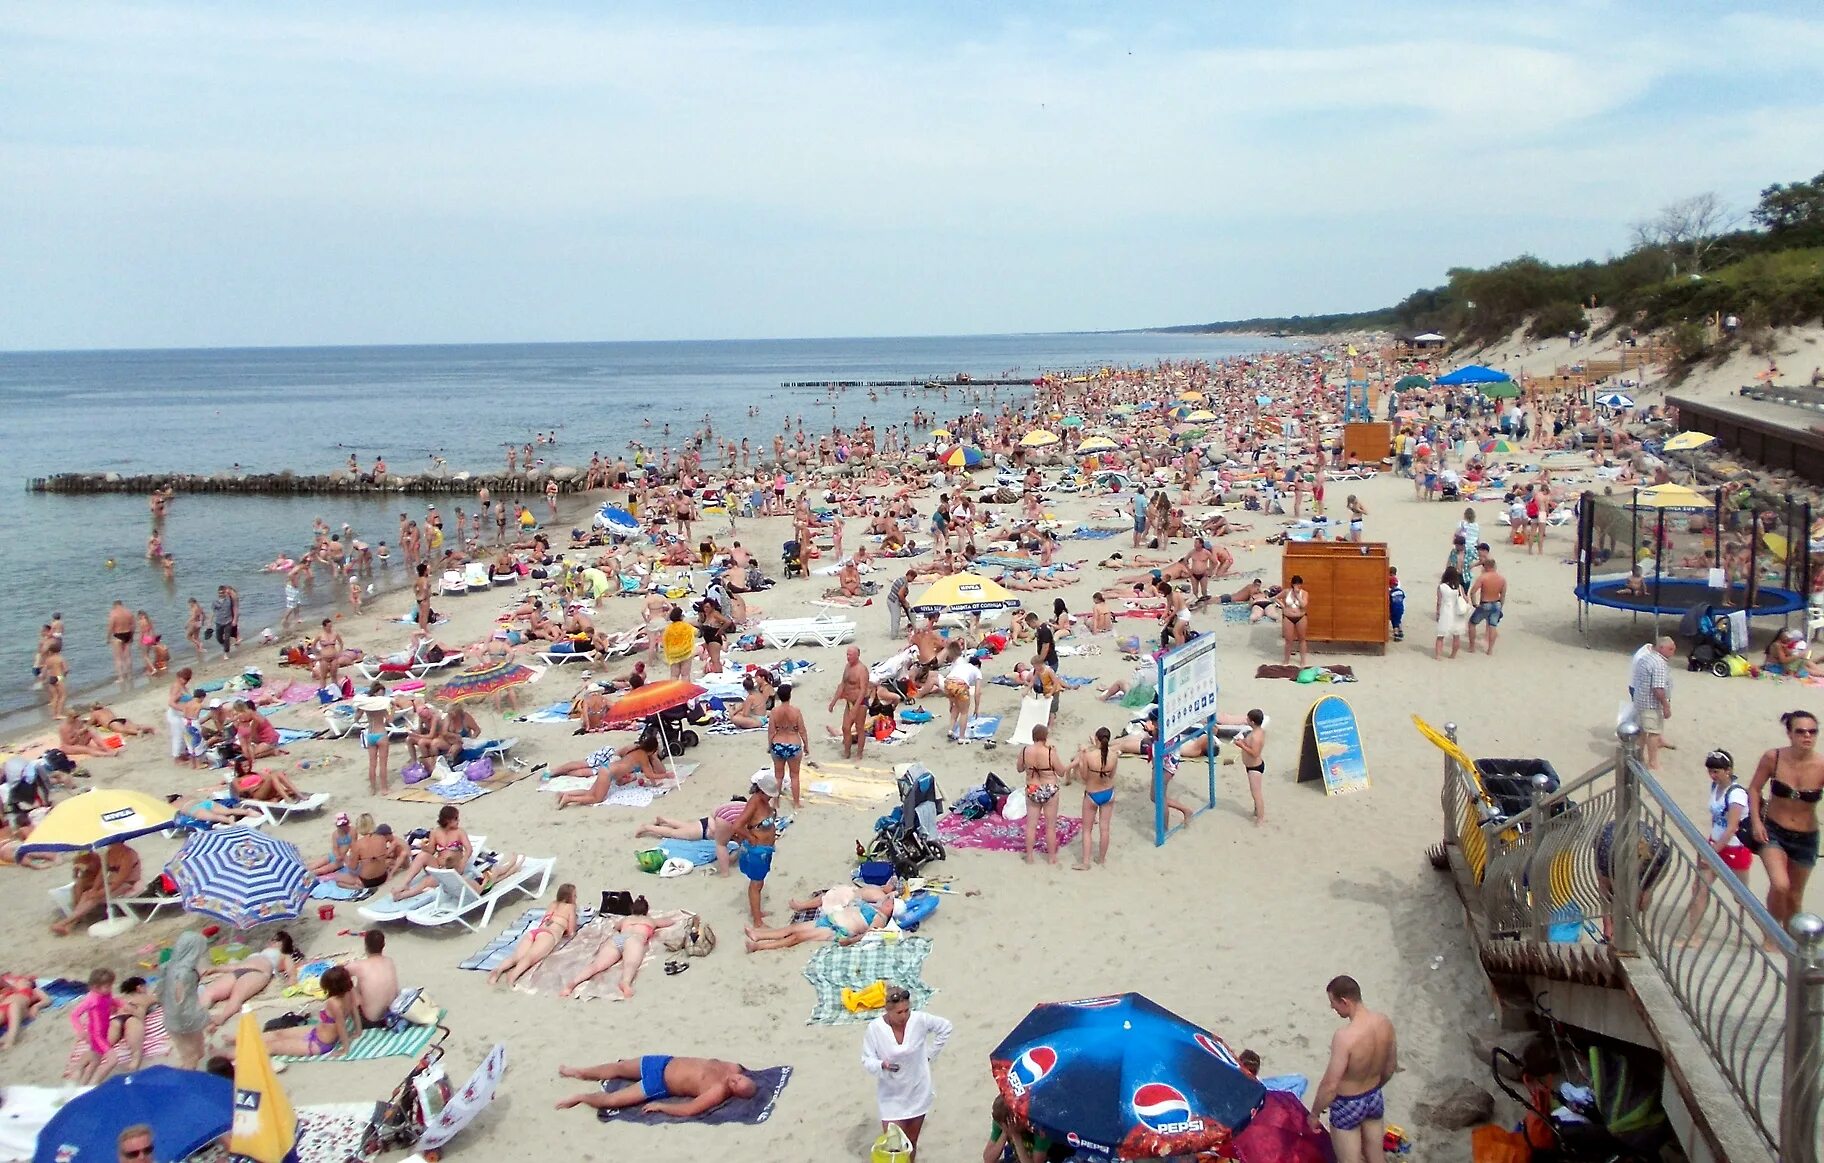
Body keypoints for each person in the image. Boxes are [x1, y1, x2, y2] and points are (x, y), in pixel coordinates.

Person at [1747, 710, 1824, 938]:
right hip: (1774, 830)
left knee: (1794, 896)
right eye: (1800, 731)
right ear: (1790, 734)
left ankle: (1793, 942)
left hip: (1806, 836)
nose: (1807, 736)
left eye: (1812, 732)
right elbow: (1753, 789)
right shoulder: (1774, 757)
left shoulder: (1821, 765)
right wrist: (1755, 822)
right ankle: (1771, 936)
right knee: (1780, 885)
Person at [1309, 975, 1398, 1163]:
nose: (1332, 1008)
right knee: (1376, 1156)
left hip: (1347, 1103)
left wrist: (1315, 1113)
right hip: (1373, 1096)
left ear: (1344, 1001)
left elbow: (1330, 1085)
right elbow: (1390, 1067)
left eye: (1333, 1004)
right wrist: (1374, 1085)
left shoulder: (1345, 1037)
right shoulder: (1385, 1022)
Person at [862, 985, 954, 1157]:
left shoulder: (919, 1020)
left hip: (918, 1090)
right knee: (894, 1146)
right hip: (891, 1095)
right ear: (887, 1011)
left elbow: (945, 1028)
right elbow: (867, 1059)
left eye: (907, 1010)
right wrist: (882, 1065)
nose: (904, 1016)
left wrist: (928, 1055)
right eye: (899, 1013)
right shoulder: (875, 1029)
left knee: (911, 1142)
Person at [1685, 749, 1753, 944]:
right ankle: (1693, 935)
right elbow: (1716, 818)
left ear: (1728, 770)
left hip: (1734, 848)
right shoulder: (1715, 787)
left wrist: (1713, 852)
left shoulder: (1736, 794)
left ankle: (1763, 934)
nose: (1713, 775)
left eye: (1717, 771)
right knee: (1699, 889)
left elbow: (1732, 827)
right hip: (1714, 843)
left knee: (1741, 896)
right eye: (1710, 771)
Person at [555, 1056, 759, 1116]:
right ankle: (580, 1072)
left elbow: (689, 1109)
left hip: (659, 1083)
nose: (735, 1080)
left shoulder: (716, 1092)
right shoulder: (733, 1067)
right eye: (739, 1079)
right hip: (662, 1062)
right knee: (620, 1067)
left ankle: (580, 1097)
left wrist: (662, 1106)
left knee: (613, 1100)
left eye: (736, 1086)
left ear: (733, 1093)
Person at [228, 965, 358, 1060]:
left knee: (272, 1046)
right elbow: (354, 1010)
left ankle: (229, 1054)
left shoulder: (333, 1003)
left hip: (320, 1043)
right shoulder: (349, 991)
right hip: (317, 1032)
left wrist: (345, 1048)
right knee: (278, 1034)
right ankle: (239, 1039)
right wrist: (358, 1030)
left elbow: (341, 1026)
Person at [199, 931, 302, 1027]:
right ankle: (197, 1015)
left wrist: (292, 979)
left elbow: (291, 970)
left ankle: (222, 1017)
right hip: (239, 969)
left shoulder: (284, 955)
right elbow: (236, 966)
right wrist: (215, 969)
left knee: (237, 996)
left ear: (281, 943)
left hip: (258, 972)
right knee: (209, 992)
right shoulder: (260, 953)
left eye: (275, 940)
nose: (271, 941)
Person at [489, 883, 578, 987]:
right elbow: (571, 931)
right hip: (548, 935)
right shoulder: (571, 907)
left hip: (535, 932)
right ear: (569, 897)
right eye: (575, 895)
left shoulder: (553, 904)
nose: (576, 898)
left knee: (516, 957)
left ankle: (497, 971)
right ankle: (512, 977)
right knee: (529, 958)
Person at [52, 843, 141, 936]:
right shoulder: (109, 853)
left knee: (96, 897)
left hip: (127, 883)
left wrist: (99, 893)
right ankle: (70, 924)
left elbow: (120, 880)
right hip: (112, 882)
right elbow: (102, 874)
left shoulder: (128, 855)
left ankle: (65, 922)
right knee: (87, 894)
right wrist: (94, 889)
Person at [156, 931, 210, 1069]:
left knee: (196, 1053)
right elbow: (179, 1000)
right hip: (184, 1019)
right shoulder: (184, 974)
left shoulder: (168, 967)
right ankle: (187, 1084)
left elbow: (160, 993)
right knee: (191, 1057)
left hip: (171, 1016)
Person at [1071, 726, 1118, 870]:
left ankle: (1086, 862)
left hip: (1092, 793)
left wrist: (1081, 757)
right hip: (1108, 792)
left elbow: (1084, 777)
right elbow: (1111, 775)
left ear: (1096, 739)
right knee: (1105, 829)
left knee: (1087, 830)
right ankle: (1101, 859)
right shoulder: (1114, 755)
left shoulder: (1089, 756)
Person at [1017, 723, 1064, 865]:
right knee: (1050, 826)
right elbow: (1061, 772)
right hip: (1049, 787)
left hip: (1032, 787)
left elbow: (1019, 768)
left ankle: (1030, 856)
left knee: (1031, 825)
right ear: (1045, 737)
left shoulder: (1025, 751)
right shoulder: (1050, 752)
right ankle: (1051, 858)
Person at [1627, 637, 1676, 771]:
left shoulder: (1645, 657)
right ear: (1661, 648)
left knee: (1642, 731)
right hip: (1651, 704)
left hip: (1640, 700)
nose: (1673, 652)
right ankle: (1653, 762)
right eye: (1670, 649)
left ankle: (1638, 756)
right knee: (1653, 732)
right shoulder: (1659, 664)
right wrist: (1666, 705)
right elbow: (1657, 689)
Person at [767, 683, 810, 808]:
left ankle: (776, 801)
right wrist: (806, 745)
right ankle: (796, 803)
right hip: (793, 744)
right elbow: (802, 730)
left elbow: (771, 732)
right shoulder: (796, 711)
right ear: (790, 695)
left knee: (778, 775)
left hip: (778, 743)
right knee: (795, 775)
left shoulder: (774, 712)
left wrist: (770, 746)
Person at [346, 928, 399, 1029]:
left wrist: (354, 994)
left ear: (365, 946)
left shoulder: (359, 966)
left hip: (369, 1021)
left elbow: (338, 975)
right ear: (383, 945)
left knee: (344, 986)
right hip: (391, 1016)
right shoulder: (389, 961)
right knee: (363, 984)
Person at [983, 1094, 1052, 1163]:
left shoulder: (1039, 1128)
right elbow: (988, 1159)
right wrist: (1005, 1133)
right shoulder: (1002, 1121)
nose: (1003, 1128)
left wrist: (1016, 1137)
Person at [830, 645, 870, 760]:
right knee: (845, 728)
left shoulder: (862, 670)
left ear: (857, 655)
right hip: (849, 701)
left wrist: (856, 708)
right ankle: (847, 753)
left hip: (860, 702)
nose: (848, 657)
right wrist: (833, 701)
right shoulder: (847, 667)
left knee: (859, 728)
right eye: (847, 654)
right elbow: (842, 684)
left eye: (850, 655)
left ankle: (859, 754)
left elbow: (863, 690)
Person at [1234, 708, 1269, 826]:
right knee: (1255, 792)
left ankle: (1260, 818)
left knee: (1256, 793)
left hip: (1255, 768)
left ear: (1253, 722)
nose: (1246, 720)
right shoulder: (1257, 731)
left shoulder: (1256, 736)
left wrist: (1241, 745)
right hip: (1251, 766)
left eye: (1248, 719)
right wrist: (1243, 742)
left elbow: (1255, 753)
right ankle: (1257, 811)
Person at [1465, 555, 1506, 654]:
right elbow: (1503, 596)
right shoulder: (1502, 579)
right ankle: (1490, 649)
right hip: (1496, 603)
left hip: (1485, 603)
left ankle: (1472, 647)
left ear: (1485, 567)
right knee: (1493, 626)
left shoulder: (1483, 578)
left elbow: (1473, 592)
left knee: (1472, 623)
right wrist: (1501, 607)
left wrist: (1474, 604)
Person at [1433, 566, 1465, 661]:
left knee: (1441, 635)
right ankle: (1453, 655)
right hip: (1457, 611)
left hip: (1446, 610)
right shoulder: (1459, 586)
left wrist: (1438, 613)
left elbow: (1439, 601)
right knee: (1456, 635)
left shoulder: (1442, 587)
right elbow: (1466, 599)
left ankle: (1438, 655)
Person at [1279, 574, 1309, 665]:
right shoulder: (1286, 592)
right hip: (1288, 617)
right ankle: (1286, 660)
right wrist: (1282, 606)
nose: (1298, 586)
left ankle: (1303, 661)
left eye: (1299, 584)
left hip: (1301, 616)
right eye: (1296, 584)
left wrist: (1297, 595)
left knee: (1302, 639)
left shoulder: (1304, 593)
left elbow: (1303, 604)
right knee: (1288, 640)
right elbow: (1276, 598)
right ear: (1292, 584)